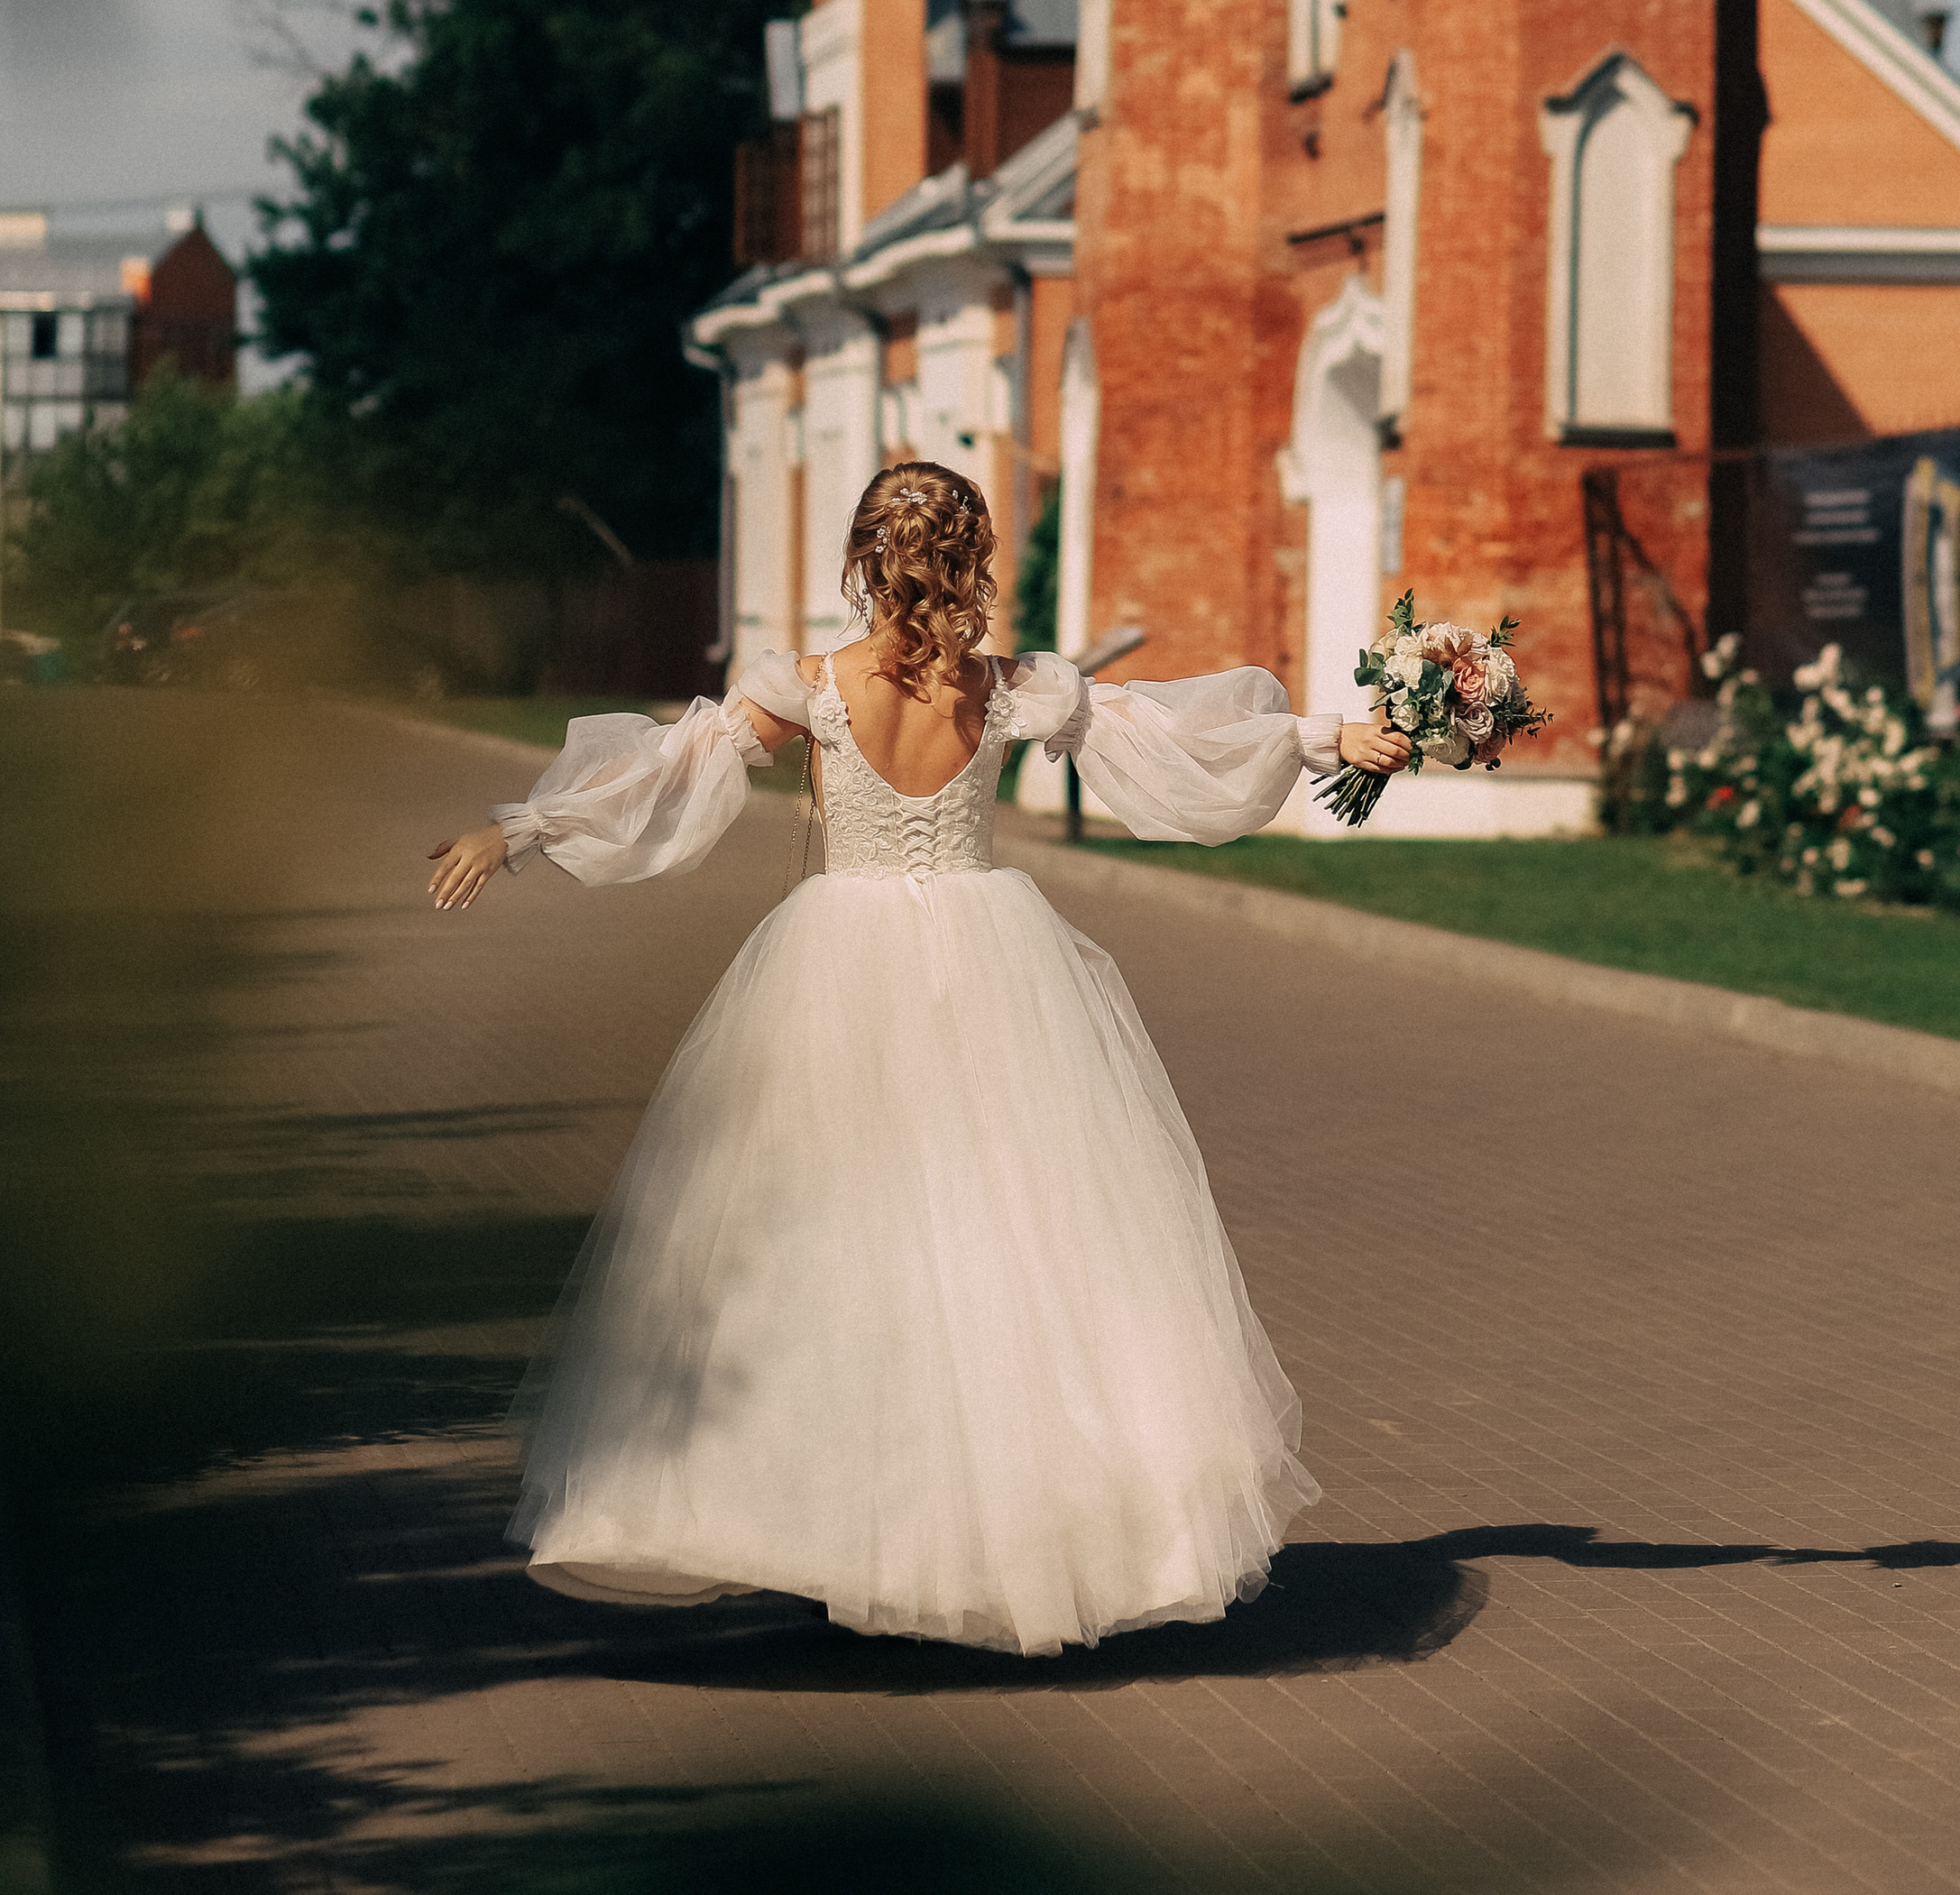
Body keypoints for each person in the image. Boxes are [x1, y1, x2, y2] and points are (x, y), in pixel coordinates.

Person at [426, 457, 1410, 1658]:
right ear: (970, 564)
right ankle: (1000, 1534)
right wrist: (1327, 736)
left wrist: (520, 826)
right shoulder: (1009, 688)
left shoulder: (810, 686)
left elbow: (667, 772)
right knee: (1001, 1244)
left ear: (859, 561)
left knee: (834, 1247)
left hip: (836, 961)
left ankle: (845, 1527)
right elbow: (1173, 736)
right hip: (995, 961)